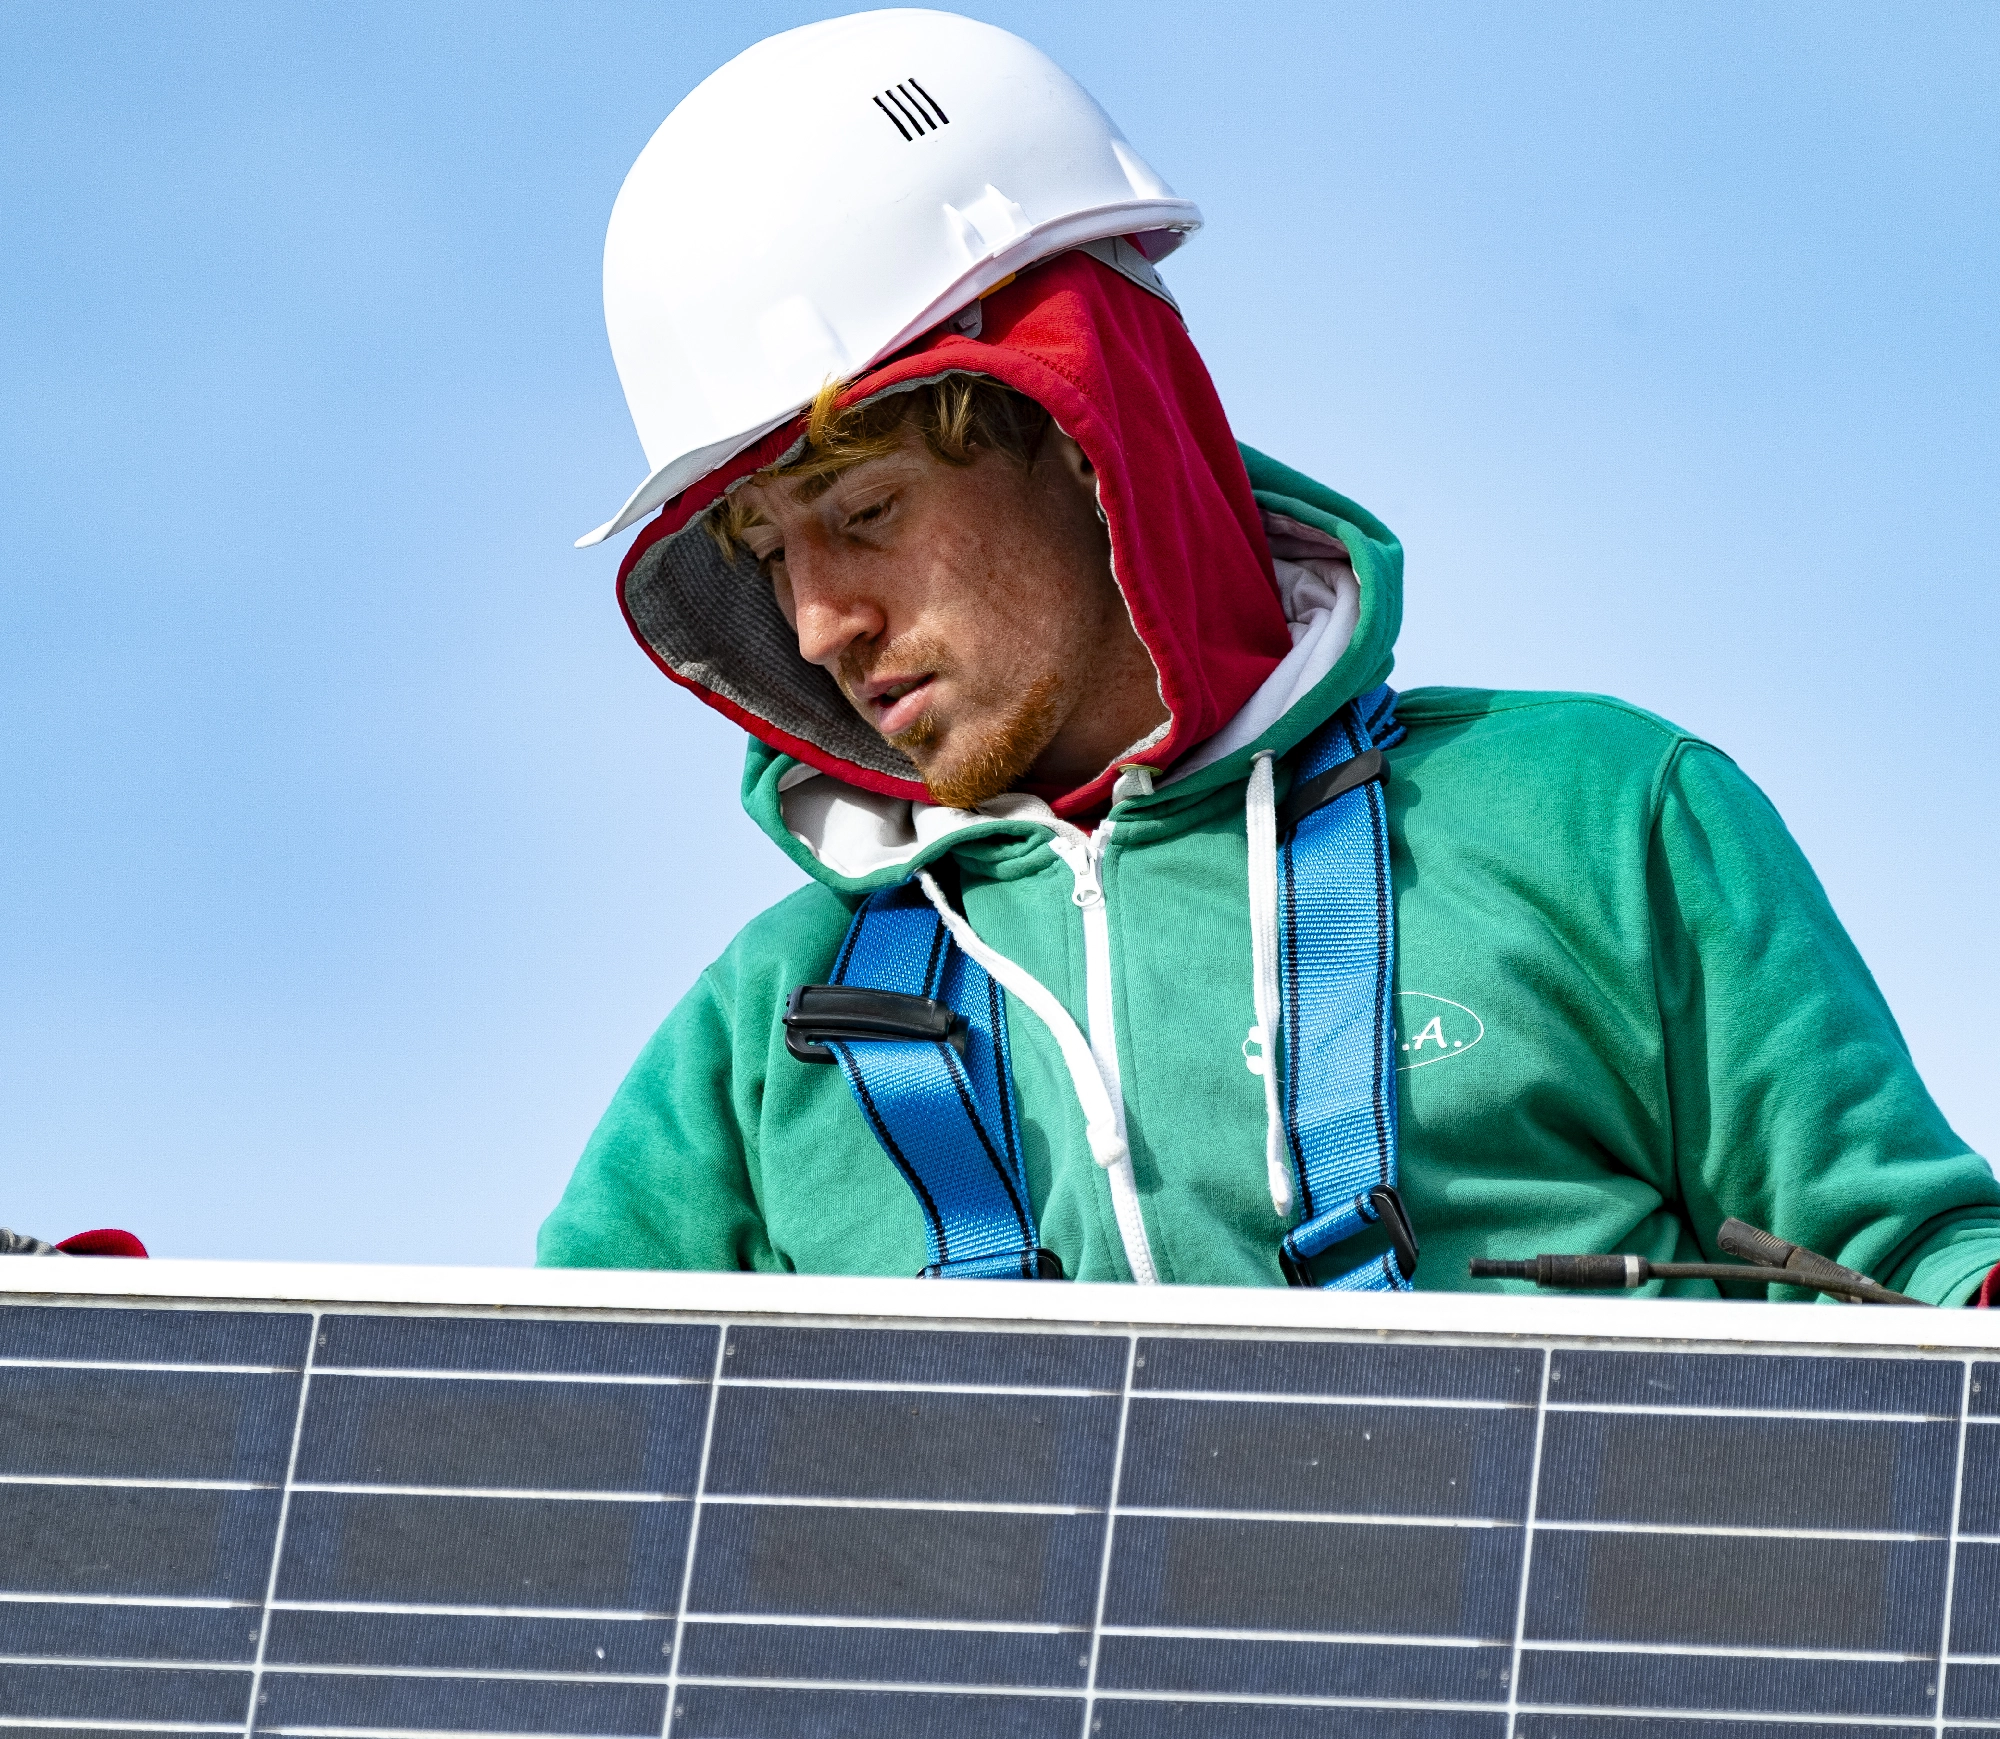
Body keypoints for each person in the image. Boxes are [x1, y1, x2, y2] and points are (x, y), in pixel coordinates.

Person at [538, 11, 2000, 1305]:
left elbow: (1918, 1285)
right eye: (771, 558)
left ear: (1081, 431)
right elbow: (517, 1475)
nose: (815, 625)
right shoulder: (756, 1043)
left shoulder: (1601, 821)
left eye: (864, 514)